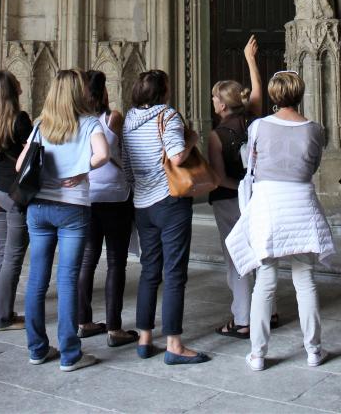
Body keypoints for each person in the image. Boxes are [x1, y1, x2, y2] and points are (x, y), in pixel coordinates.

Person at [226, 71, 335, 371]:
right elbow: (312, 166)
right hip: (301, 203)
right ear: (300, 94)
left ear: (274, 96)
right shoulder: (315, 129)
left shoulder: (259, 126)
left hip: (269, 204)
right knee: (305, 280)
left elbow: (252, 162)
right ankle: (314, 350)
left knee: (265, 281)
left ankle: (258, 354)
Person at [17, 69, 109, 371]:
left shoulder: (41, 124)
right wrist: (81, 170)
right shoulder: (89, 122)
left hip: (39, 207)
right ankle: (70, 354)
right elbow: (103, 155)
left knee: (36, 281)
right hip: (72, 208)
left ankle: (37, 349)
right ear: (77, 93)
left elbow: (21, 164)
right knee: (68, 279)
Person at [122, 69, 209, 365]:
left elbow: (127, 169)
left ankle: (145, 338)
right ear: (163, 91)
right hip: (169, 201)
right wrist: (193, 137)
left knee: (149, 270)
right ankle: (174, 344)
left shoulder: (129, 120)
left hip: (142, 203)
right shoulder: (168, 115)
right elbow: (176, 157)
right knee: (174, 272)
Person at [76, 70, 138, 346]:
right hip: (116, 195)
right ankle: (114, 328)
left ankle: (83, 321)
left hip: (88, 196)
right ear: (104, 92)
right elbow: (124, 149)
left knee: (87, 260)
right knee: (116, 263)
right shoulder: (113, 118)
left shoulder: (76, 122)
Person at [208, 35, 264, 339]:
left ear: (221, 104)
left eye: (215, 98)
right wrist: (250, 59)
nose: (213, 102)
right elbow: (256, 91)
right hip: (254, 197)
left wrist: (239, 185)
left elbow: (217, 178)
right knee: (256, 255)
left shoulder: (216, 135)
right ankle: (263, 309)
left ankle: (243, 320)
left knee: (237, 259)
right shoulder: (253, 118)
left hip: (230, 199)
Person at [0, 70, 32, 331]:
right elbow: (33, 153)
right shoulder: (19, 120)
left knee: (2, 253)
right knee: (12, 255)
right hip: (14, 193)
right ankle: (3, 317)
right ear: (12, 90)